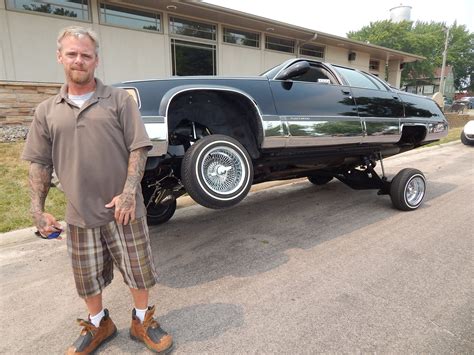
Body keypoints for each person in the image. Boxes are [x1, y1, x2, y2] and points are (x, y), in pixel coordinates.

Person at [22, 26, 173, 354]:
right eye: (72, 54)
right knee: (86, 277)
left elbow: (139, 148)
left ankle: (142, 320)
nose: (79, 60)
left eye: (86, 55)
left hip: (124, 209)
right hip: (79, 212)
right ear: (60, 57)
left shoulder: (119, 100)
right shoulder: (46, 111)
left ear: (96, 60)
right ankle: (99, 323)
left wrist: (129, 192)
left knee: (139, 271)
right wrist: (38, 209)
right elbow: (39, 163)